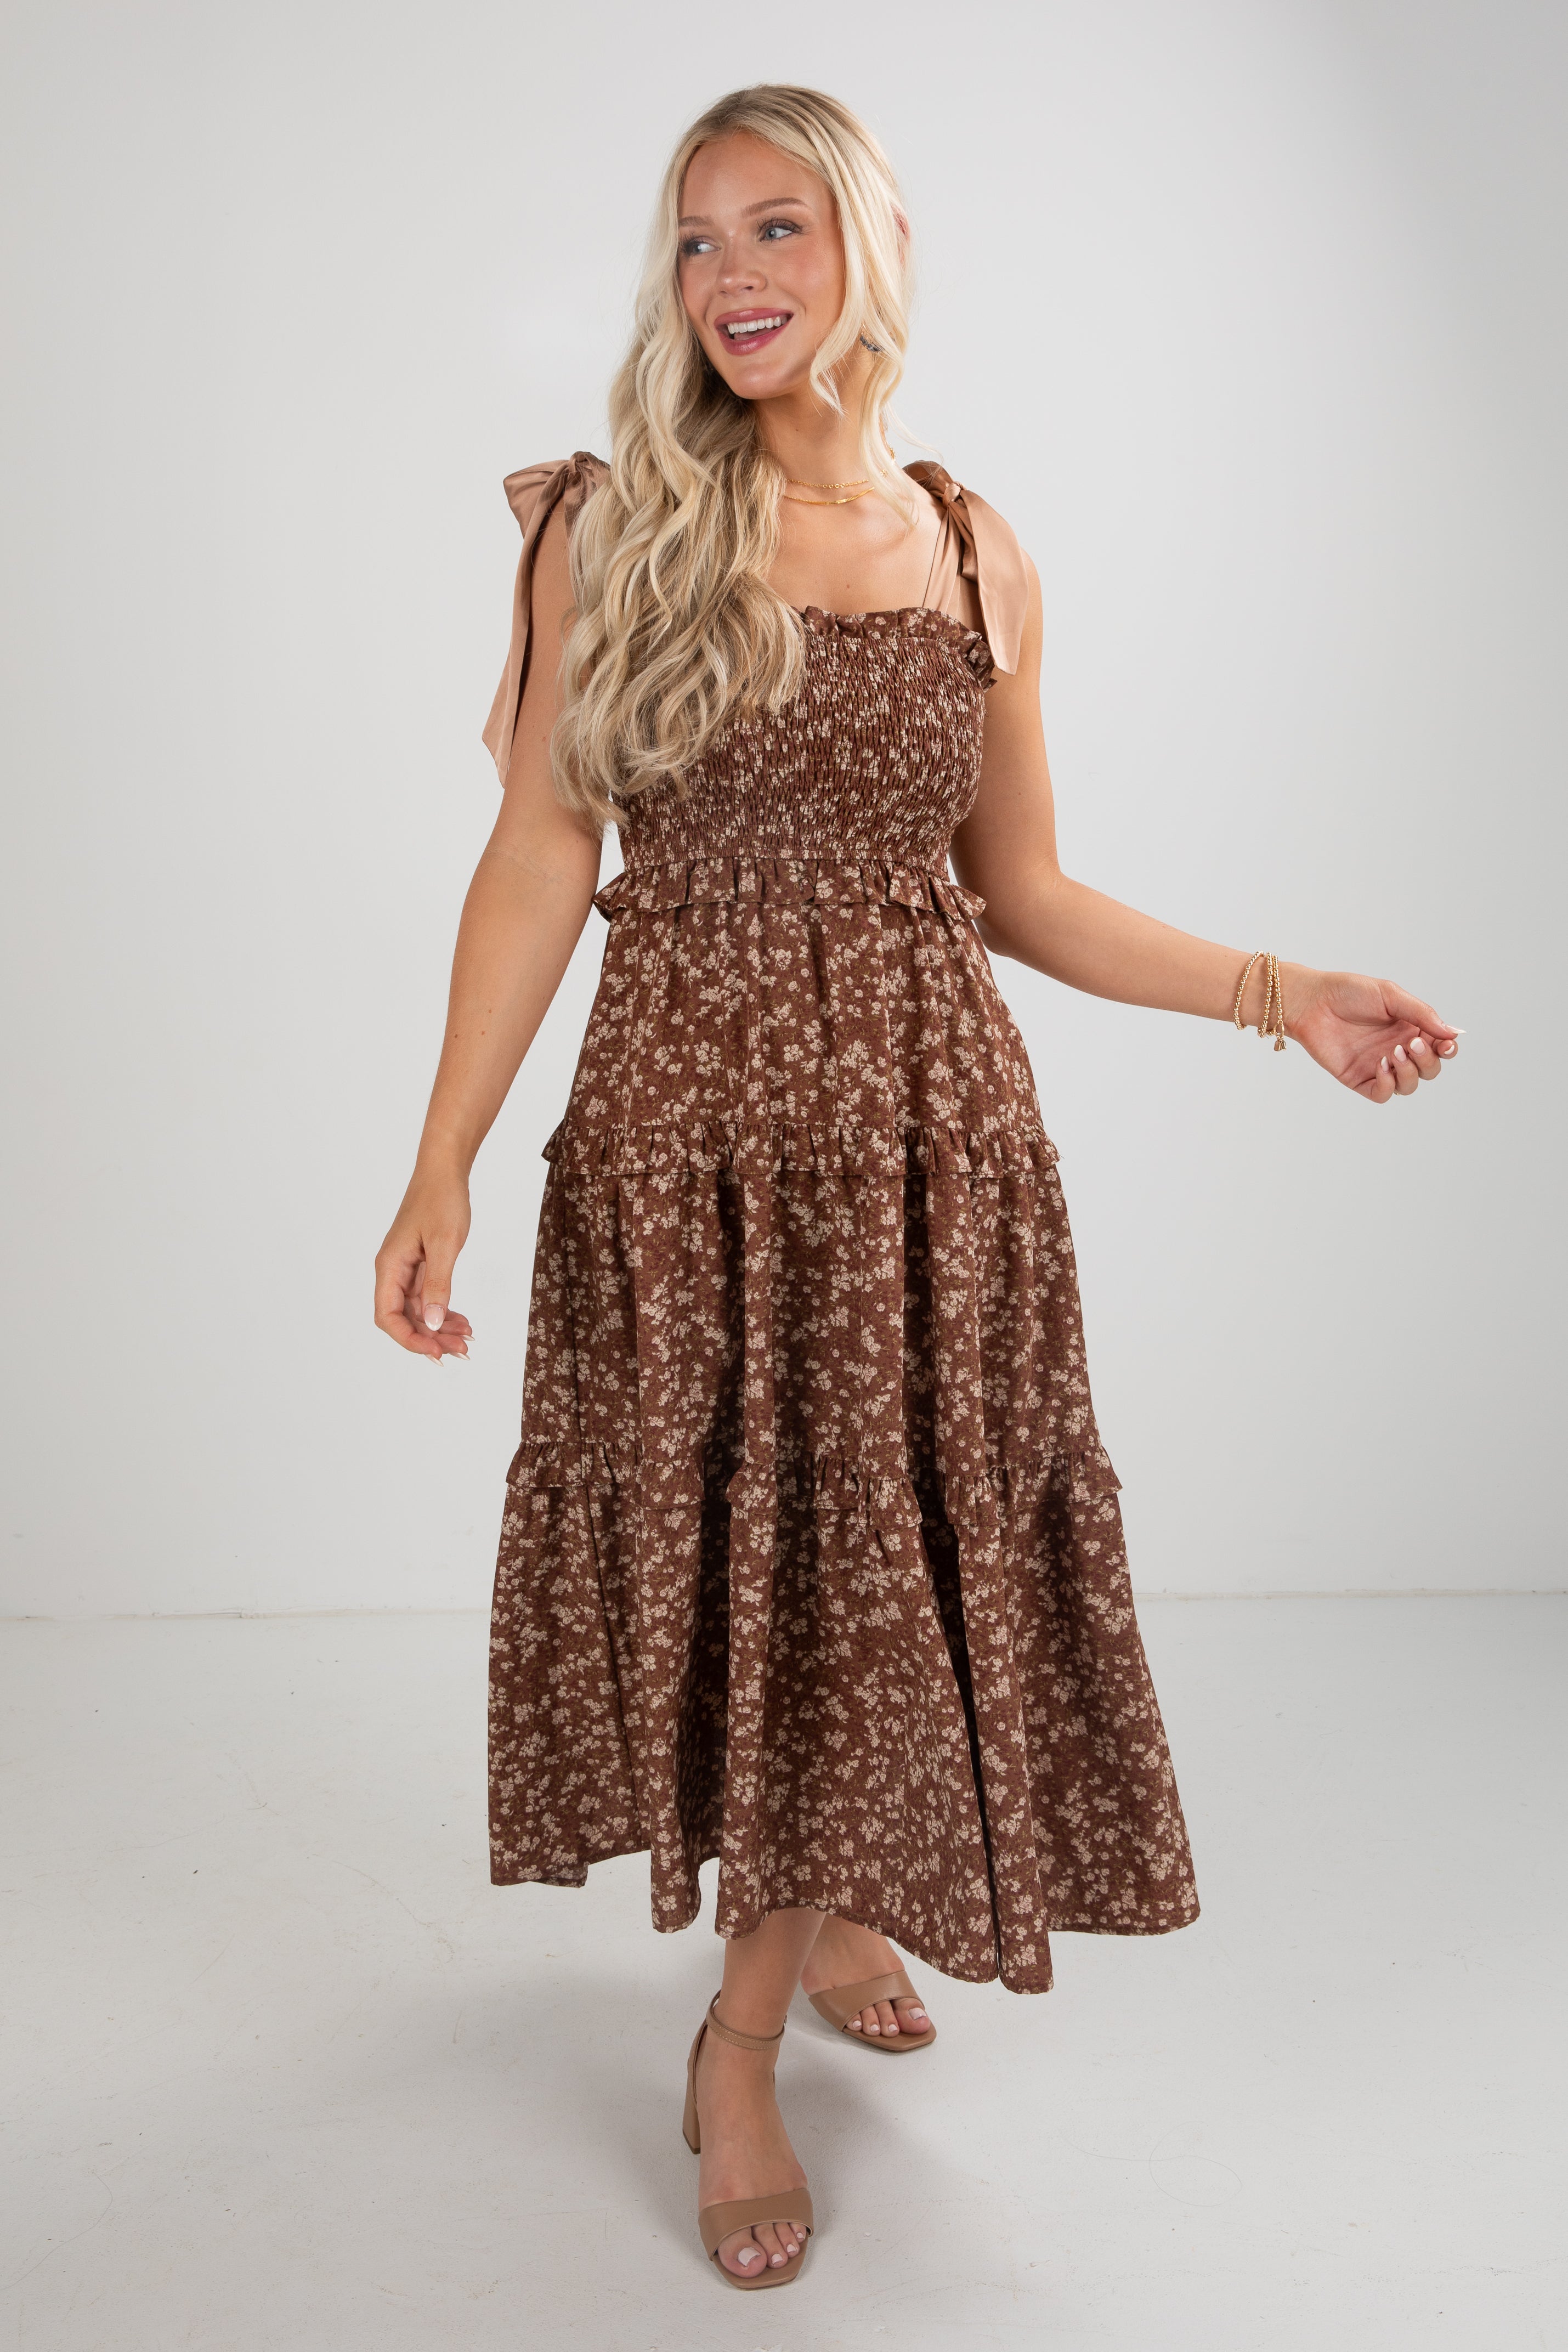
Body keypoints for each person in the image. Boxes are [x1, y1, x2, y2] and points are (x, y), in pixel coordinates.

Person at [374, 84, 1458, 2293]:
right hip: (684, 1132)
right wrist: (441, 1162)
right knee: (761, 1554)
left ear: (872, 245)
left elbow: (1022, 895)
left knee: (879, 1558)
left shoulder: (975, 547)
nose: (732, 279)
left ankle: (806, 1923)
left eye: (775, 229)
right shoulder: (609, 521)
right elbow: (535, 858)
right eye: (693, 243)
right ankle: (739, 2045)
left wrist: (1284, 988)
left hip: (923, 1146)